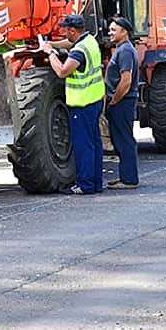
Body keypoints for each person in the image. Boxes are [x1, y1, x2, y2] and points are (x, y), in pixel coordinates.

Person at [43, 14, 105, 195]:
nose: (63, 32)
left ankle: (85, 185)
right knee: (94, 144)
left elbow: (62, 71)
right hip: (94, 101)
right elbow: (69, 44)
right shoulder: (90, 41)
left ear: (72, 30)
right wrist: (53, 44)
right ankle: (96, 183)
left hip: (82, 104)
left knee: (83, 146)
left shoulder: (79, 51)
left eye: (65, 30)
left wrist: (50, 53)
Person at [105, 17, 140, 190]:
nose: (110, 33)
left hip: (123, 101)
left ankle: (129, 180)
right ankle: (126, 176)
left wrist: (114, 100)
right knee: (120, 138)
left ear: (124, 31)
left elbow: (126, 80)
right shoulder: (122, 49)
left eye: (113, 29)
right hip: (122, 101)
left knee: (124, 139)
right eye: (110, 29)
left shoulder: (125, 51)